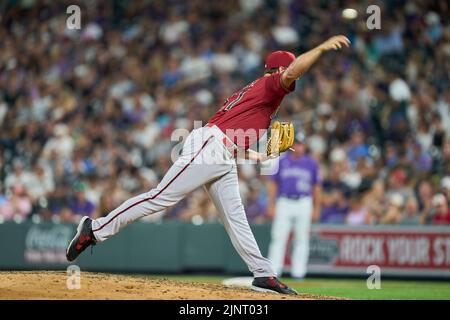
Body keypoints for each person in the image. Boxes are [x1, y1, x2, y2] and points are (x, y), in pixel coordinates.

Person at [66, 35, 350, 295]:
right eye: (287, 74)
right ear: (277, 71)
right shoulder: (269, 85)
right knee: (160, 197)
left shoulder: (260, 96)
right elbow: (292, 71)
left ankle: (263, 273)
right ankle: (95, 228)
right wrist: (322, 48)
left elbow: (232, 139)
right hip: (210, 147)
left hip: (220, 153)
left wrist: (257, 157)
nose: (292, 82)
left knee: (236, 217)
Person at [266, 132, 322, 279]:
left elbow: (317, 187)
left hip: (304, 202)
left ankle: (299, 273)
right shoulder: (281, 161)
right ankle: (273, 272)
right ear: (292, 145)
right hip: (284, 201)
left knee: (302, 238)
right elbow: (273, 184)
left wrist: (317, 208)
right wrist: (271, 205)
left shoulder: (311, 163)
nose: (299, 146)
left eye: (301, 144)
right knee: (278, 237)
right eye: (297, 143)